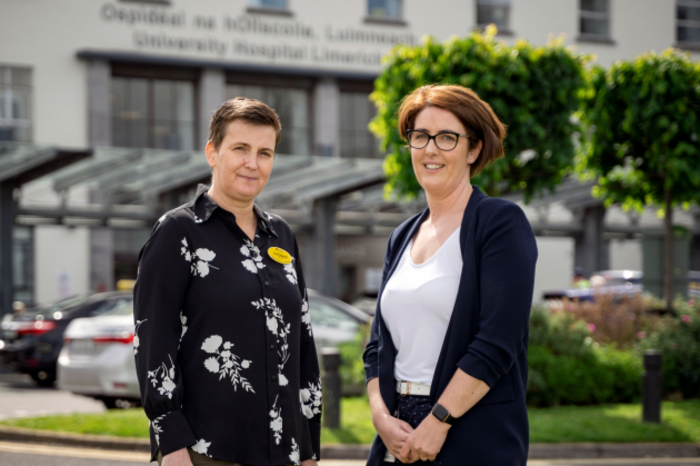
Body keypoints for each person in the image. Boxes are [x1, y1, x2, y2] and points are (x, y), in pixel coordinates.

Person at [134, 97, 321, 466]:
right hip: (205, 452)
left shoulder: (281, 234)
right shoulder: (178, 232)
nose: (253, 163)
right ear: (212, 153)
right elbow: (153, 340)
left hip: (284, 451)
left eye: (264, 152)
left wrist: (310, 444)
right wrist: (172, 447)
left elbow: (302, 344)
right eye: (240, 149)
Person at [363, 84, 537, 465]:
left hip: (470, 433)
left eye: (446, 138)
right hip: (397, 435)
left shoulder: (499, 223)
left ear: (473, 149)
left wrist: (439, 419)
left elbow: (498, 341)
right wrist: (380, 417)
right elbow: (376, 347)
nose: (430, 149)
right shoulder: (401, 235)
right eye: (420, 136)